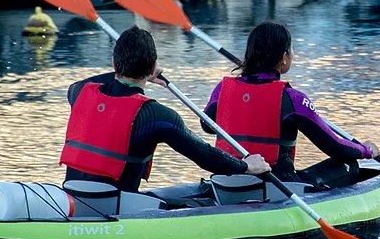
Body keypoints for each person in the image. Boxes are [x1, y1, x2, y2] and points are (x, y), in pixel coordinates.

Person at [61, 26, 270, 193]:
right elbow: (203, 154)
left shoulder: (78, 93)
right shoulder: (157, 116)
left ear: (114, 63)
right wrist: (245, 166)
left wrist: (131, 70)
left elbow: (82, 83)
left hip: (71, 197)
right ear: (153, 66)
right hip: (118, 206)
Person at [203, 21, 378, 190]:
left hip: (225, 185)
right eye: (291, 50)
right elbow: (336, 147)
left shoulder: (223, 89)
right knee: (348, 163)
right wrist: (365, 150)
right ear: (284, 57)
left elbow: (207, 126)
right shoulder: (293, 99)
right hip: (277, 188)